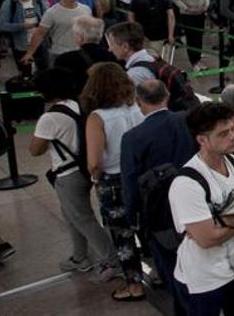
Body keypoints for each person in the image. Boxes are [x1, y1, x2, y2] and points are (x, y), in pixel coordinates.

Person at [168, 101, 234, 316]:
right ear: (202, 140)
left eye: (231, 129)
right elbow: (207, 240)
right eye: (223, 133)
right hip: (205, 278)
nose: (233, 136)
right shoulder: (187, 183)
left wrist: (220, 220)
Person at [120, 77, 200, 315]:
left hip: (160, 213)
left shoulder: (133, 138)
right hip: (197, 201)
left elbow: (130, 182)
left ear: (138, 102)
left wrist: (133, 216)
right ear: (166, 96)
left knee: (172, 269)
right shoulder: (189, 120)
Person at [28, 67, 114, 274]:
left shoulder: (49, 118)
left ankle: (113, 259)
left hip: (67, 174)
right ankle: (79, 256)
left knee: (83, 218)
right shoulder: (78, 106)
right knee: (71, 215)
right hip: (83, 167)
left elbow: (35, 150)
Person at [82, 62, 146, 301]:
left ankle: (134, 285)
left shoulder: (97, 118)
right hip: (140, 176)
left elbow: (94, 160)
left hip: (113, 181)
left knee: (123, 236)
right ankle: (160, 273)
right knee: (147, 227)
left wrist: (94, 175)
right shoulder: (136, 108)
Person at [21, 0, 93, 65]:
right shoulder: (52, 12)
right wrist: (29, 53)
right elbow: (40, 33)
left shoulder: (86, 9)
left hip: (81, 54)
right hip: (59, 55)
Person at [53, 16, 116, 96]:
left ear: (81, 37)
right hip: (109, 100)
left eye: (75, 34)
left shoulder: (64, 59)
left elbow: (60, 88)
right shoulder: (114, 56)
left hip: (80, 104)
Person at [0, 0, 46, 74]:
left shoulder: (36, 1)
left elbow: (45, 17)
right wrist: (22, 26)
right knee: (26, 72)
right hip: (21, 45)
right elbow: (2, 25)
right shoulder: (9, 4)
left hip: (39, 43)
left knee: (43, 71)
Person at [172, 0, 211, 70]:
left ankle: (198, 59)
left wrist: (205, 6)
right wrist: (187, 8)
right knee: (191, 38)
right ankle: (193, 62)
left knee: (199, 37)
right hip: (188, 15)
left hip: (200, 13)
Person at [106, 21, 158, 87]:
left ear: (125, 47)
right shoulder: (151, 58)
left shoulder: (134, 75)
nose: (110, 49)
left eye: (112, 44)